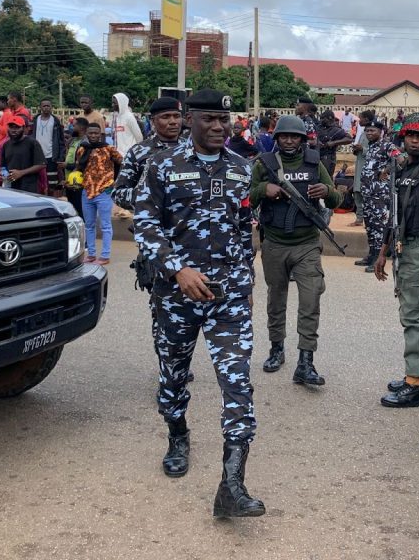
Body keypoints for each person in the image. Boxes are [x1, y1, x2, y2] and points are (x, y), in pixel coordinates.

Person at [134, 89, 264, 518]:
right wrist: (176, 269)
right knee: (173, 373)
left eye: (224, 120)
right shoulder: (163, 166)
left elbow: (246, 228)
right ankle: (177, 435)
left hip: (227, 296)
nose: (218, 127)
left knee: (237, 381)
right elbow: (146, 223)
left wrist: (245, 280)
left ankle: (232, 484)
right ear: (190, 119)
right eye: (209, 119)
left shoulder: (242, 169)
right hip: (176, 296)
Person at [250, 114, 342, 387]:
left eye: (295, 137)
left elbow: (336, 197)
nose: (289, 140)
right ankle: (276, 348)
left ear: (303, 139)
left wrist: (324, 189)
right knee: (276, 298)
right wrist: (263, 189)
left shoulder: (314, 162)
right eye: (284, 136)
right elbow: (245, 192)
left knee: (311, 299)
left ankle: (306, 360)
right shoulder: (264, 164)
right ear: (276, 137)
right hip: (275, 243)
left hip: (307, 244)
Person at [375, 113, 419, 408]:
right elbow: (395, 213)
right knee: (411, 313)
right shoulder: (404, 169)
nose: (414, 140)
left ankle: (414, 386)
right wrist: (382, 252)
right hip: (404, 246)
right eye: (410, 135)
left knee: (414, 316)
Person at [112, 97, 185, 360]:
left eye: (176, 117)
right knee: (162, 307)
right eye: (166, 117)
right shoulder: (139, 152)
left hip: (189, 240)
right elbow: (119, 193)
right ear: (153, 121)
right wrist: (151, 197)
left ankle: (180, 357)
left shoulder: (191, 149)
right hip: (156, 241)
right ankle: (168, 365)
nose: (172, 122)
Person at [75, 122, 122, 264]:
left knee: (105, 225)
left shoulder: (108, 149)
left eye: (96, 133)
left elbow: (121, 162)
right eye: (91, 133)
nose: (93, 135)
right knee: (89, 225)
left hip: (104, 191)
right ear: (86, 134)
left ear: (101, 134)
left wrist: (114, 181)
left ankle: (105, 256)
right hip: (87, 191)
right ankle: (91, 254)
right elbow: (79, 166)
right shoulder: (82, 149)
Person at [359, 119, 392, 271]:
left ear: (381, 132)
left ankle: (378, 259)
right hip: (368, 193)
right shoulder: (371, 147)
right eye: (367, 131)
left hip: (380, 194)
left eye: (373, 131)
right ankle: (371, 255)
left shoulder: (387, 145)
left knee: (379, 226)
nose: (369, 133)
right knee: (370, 226)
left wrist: (387, 170)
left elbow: (402, 159)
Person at [0, 120, 45, 193]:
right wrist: (3, 173)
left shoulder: (32, 143)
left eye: (17, 127)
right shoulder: (6, 145)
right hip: (11, 187)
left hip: (29, 187)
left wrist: (21, 173)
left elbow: (41, 164)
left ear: (23, 128)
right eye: (11, 127)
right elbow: (3, 165)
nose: (14, 130)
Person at [35, 99, 67, 197]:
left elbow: (61, 141)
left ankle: (52, 201)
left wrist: (60, 157)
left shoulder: (55, 121)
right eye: (44, 106)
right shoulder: (35, 120)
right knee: (38, 181)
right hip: (37, 156)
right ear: (40, 107)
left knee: (52, 183)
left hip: (51, 156)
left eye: (48, 106)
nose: (46, 108)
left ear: (51, 107)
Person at [349, 110, 375, 229]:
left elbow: (376, 151)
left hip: (368, 168)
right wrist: (356, 149)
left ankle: (369, 219)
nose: (359, 121)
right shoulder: (362, 133)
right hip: (359, 166)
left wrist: (363, 149)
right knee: (357, 192)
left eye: (361, 119)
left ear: (367, 119)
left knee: (367, 194)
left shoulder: (373, 133)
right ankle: (359, 218)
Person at [64, 117, 89, 217]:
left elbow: (83, 163)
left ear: (81, 127)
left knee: (80, 208)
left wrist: (68, 165)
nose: (72, 127)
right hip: (69, 180)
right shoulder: (73, 140)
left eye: (74, 126)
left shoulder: (85, 142)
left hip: (79, 182)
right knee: (72, 206)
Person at [111, 92, 145, 157]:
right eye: (112, 103)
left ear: (121, 103)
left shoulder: (129, 117)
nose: (112, 105)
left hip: (128, 155)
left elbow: (139, 137)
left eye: (114, 103)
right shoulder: (116, 117)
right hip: (117, 155)